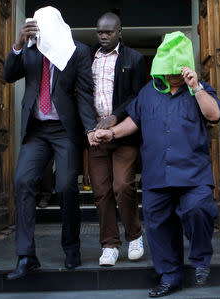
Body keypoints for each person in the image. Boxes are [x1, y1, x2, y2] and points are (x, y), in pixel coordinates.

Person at [94, 32, 220, 297]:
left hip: (193, 174)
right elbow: (134, 120)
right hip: (157, 173)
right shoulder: (148, 91)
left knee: (199, 210)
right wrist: (113, 132)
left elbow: (215, 114)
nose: (173, 75)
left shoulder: (199, 88)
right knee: (159, 227)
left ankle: (200, 260)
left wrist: (196, 87)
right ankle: (169, 276)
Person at [3, 6, 98, 280]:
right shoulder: (30, 50)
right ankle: (25, 256)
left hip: (64, 130)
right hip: (36, 131)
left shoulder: (77, 51)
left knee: (66, 186)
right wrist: (19, 44)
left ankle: (72, 249)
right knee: (23, 181)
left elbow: (84, 94)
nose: (40, 33)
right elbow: (9, 75)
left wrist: (90, 129)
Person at [89, 12, 147, 266]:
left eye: (108, 32)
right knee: (101, 191)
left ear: (119, 32)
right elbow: (79, 94)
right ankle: (110, 245)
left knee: (122, 186)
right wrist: (88, 129)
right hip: (95, 136)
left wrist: (115, 116)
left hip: (123, 134)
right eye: (100, 32)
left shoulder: (133, 58)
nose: (103, 36)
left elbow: (137, 95)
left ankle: (134, 235)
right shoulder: (86, 58)